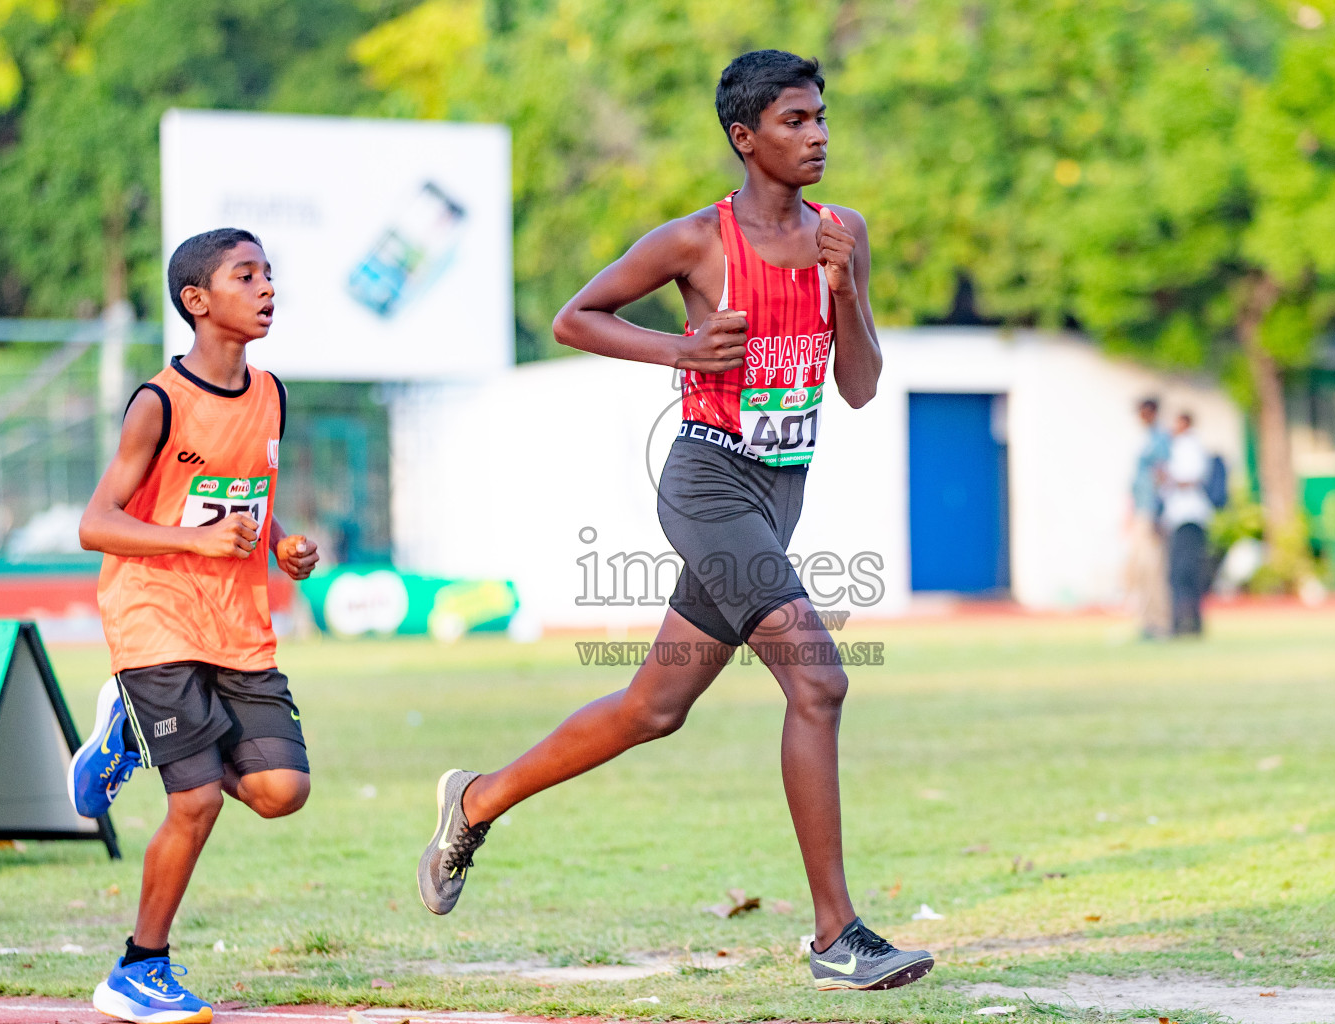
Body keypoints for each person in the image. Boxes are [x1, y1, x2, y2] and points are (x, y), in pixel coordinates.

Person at [416, 50, 934, 993]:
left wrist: (848, 294)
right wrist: (681, 348)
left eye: (821, 117)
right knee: (818, 682)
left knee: (652, 709)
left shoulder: (842, 234)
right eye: (794, 121)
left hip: (779, 496)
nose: (817, 135)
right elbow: (578, 317)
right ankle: (836, 937)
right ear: (746, 138)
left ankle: (476, 799)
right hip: (705, 484)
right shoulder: (698, 241)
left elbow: (857, 388)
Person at [69, 228, 319, 1024]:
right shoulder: (158, 402)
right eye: (247, 276)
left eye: (270, 274)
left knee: (283, 791)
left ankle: (131, 735)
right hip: (156, 612)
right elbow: (96, 523)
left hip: (238, 622)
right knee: (198, 800)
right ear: (198, 301)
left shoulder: (272, 391)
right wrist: (192, 539)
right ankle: (139, 969)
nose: (267, 288)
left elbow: (248, 493)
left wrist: (282, 543)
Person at [1162, 411, 1214, 636]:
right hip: (1180, 518)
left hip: (1189, 517)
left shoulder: (1189, 446)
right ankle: (1185, 622)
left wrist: (1167, 478)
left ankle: (1187, 623)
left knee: (1184, 572)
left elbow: (1190, 478)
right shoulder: (1178, 446)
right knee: (1181, 572)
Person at [1129, 396, 1171, 639]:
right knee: (1140, 570)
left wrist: (1157, 511)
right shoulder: (1144, 439)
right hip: (1140, 511)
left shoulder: (1159, 440)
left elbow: (1161, 477)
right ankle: (1145, 621)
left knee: (1154, 569)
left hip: (1151, 512)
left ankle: (1160, 623)